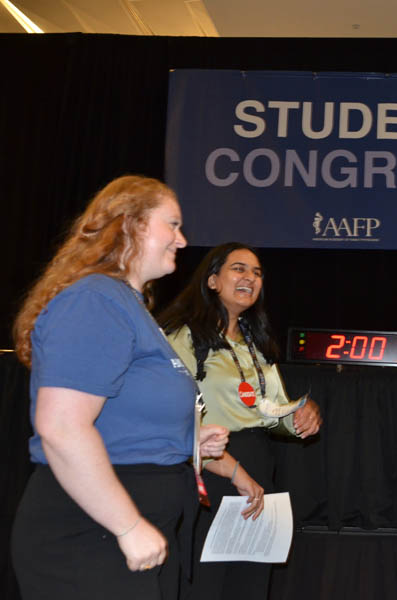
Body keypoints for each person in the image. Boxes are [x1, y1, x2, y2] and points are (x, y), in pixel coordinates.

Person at [10, 175, 230, 600]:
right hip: (92, 533)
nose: (182, 241)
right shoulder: (95, 299)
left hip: (122, 529)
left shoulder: (129, 305)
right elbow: (61, 427)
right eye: (172, 224)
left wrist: (185, 440)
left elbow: (120, 414)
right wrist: (127, 525)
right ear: (130, 224)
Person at [158, 242, 322, 600]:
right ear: (213, 280)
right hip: (209, 467)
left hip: (258, 466)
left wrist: (300, 416)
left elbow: (270, 412)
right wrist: (229, 468)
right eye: (239, 269)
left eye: (257, 272)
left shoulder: (255, 342)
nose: (250, 277)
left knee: (249, 583)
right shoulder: (184, 337)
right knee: (205, 582)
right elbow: (170, 414)